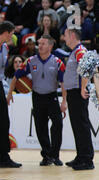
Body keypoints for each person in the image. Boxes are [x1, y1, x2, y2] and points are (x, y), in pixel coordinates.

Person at [7, 35, 67, 166]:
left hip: (52, 97)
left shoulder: (58, 62)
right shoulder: (30, 61)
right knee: (40, 127)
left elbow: (63, 82)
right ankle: (46, 155)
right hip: (37, 97)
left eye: (43, 44)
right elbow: (16, 76)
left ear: (50, 46)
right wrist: (10, 93)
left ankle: (55, 155)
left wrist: (64, 101)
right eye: (39, 43)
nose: (40, 46)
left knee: (58, 124)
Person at [63, 27, 94, 170]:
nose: (64, 38)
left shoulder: (80, 50)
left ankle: (87, 159)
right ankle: (81, 156)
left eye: (65, 35)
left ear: (72, 35)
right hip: (73, 92)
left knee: (81, 125)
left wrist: (83, 88)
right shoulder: (75, 51)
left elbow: (86, 68)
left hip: (78, 92)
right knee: (77, 125)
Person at [0, 21, 21, 168]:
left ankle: (3, 155)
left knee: (3, 120)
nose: (12, 37)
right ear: (6, 32)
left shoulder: (5, 47)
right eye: (12, 34)